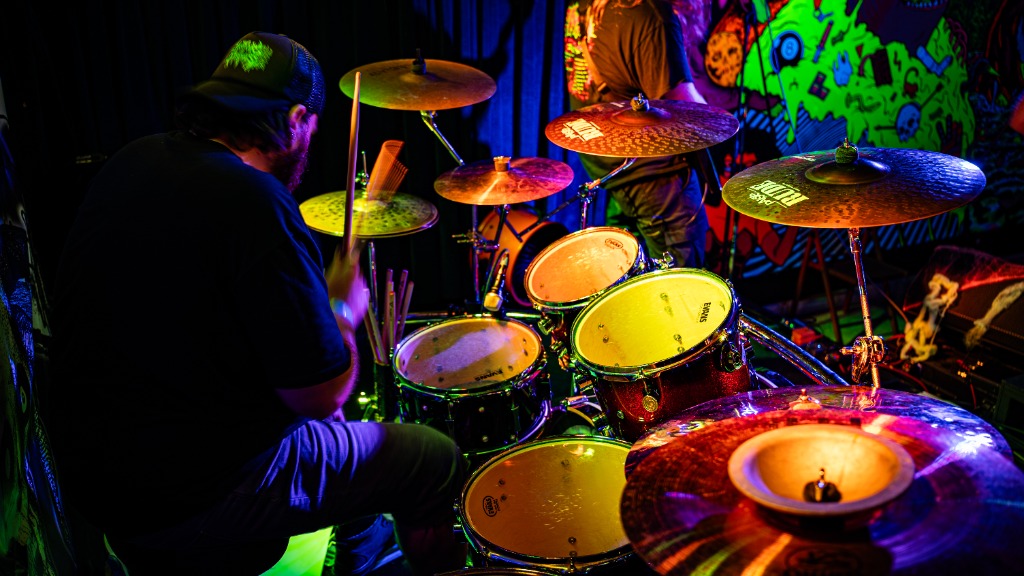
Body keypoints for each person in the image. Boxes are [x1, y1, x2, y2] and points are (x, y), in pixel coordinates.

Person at [46, 31, 466, 575]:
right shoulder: (253, 199)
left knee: (357, 459)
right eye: (311, 128)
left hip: (94, 478)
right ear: (296, 119)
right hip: (193, 495)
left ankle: (357, 554)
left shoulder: (134, 160)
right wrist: (341, 308)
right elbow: (317, 396)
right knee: (431, 460)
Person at [564, 0, 711, 268]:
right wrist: (724, 118)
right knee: (682, 293)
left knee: (629, 286)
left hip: (612, 169)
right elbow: (683, 107)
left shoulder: (582, 4)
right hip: (658, 180)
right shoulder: (651, 12)